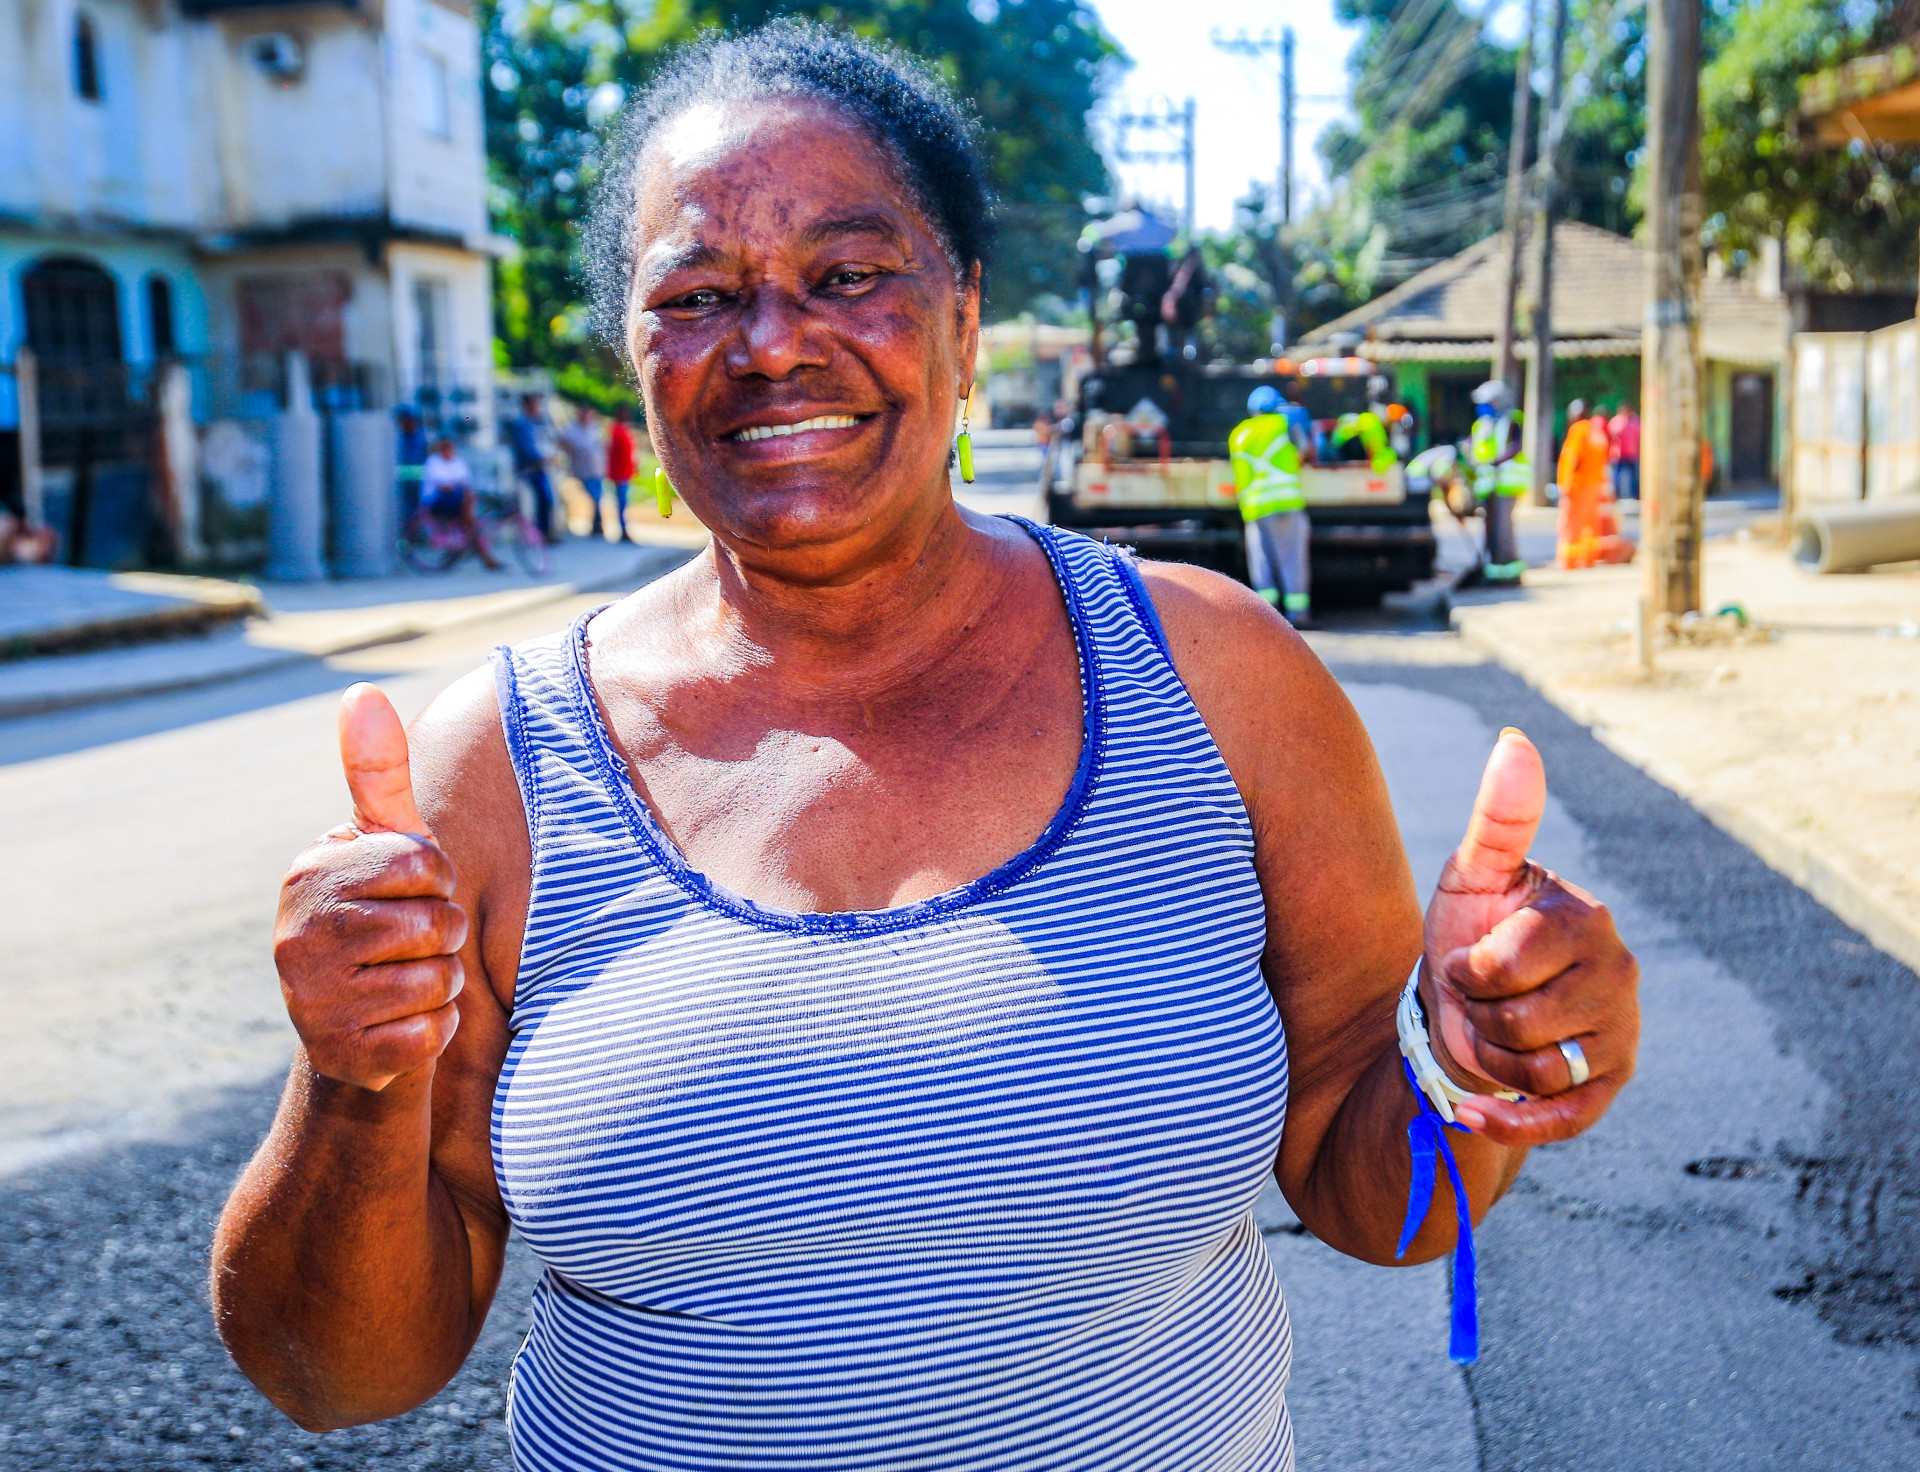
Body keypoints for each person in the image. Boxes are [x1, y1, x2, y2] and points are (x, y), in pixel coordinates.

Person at [212, 24, 1638, 1471]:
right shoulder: (497, 769)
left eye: (848, 275)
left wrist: (1476, 1063)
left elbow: (1372, 1189)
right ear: (633, 354)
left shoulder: (1219, 682)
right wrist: (348, 1081)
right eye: (699, 296)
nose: (772, 344)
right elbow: (333, 1378)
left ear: (962, 309)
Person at [1230, 383, 1312, 624]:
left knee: (1261, 563)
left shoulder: (1239, 434)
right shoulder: (1283, 423)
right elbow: (1304, 450)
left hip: (1254, 507)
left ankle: (1267, 618)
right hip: (1284, 503)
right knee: (1291, 559)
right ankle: (1298, 614)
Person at [1468, 380, 1529, 582]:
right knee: (1491, 529)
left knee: (1503, 529)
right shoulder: (1482, 425)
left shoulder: (1512, 420)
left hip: (1507, 484)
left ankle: (1510, 572)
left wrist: (1496, 462)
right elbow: (1474, 447)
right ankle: (1492, 569)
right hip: (1488, 486)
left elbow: (1515, 447)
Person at [418, 436, 502, 570]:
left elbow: (466, 483)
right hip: (436, 502)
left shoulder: (458, 462)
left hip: (456, 502)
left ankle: (481, 550)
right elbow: (444, 487)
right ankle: (469, 522)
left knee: (470, 503)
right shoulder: (433, 462)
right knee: (464, 502)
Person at [1555, 399, 1610, 570]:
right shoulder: (1596, 431)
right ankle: (1588, 558)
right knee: (1589, 524)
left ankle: (1569, 561)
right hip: (1594, 485)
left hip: (1578, 485)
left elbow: (1574, 457)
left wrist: (1567, 484)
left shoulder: (1578, 430)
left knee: (1572, 524)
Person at [506, 393, 557, 541]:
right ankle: (539, 533)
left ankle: (545, 532)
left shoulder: (536, 423)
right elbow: (526, 448)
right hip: (529, 468)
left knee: (546, 500)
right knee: (539, 501)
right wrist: (541, 458)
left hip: (539, 468)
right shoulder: (521, 424)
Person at [558, 403, 606, 535]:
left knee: (598, 497)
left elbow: (601, 445)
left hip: (596, 469)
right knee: (595, 497)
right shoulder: (571, 429)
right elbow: (560, 440)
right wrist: (573, 450)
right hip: (583, 470)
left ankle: (597, 524)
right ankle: (597, 524)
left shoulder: (594, 428)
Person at [605, 403, 639, 541]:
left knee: (624, 503)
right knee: (622, 503)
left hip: (624, 472)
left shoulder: (622, 430)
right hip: (619, 473)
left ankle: (624, 530)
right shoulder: (616, 431)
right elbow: (612, 452)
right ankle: (623, 531)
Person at [394, 408, 428, 520]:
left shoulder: (421, 436)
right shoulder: (398, 437)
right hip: (403, 481)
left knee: (419, 509)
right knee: (404, 510)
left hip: (418, 480)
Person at [1608, 401, 1640, 501]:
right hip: (1618, 454)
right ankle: (1615, 495)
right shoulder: (1616, 421)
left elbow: (1640, 435)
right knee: (1616, 476)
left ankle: (1636, 496)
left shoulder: (1635, 421)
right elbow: (1611, 433)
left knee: (1634, 477)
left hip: (1631, 453)